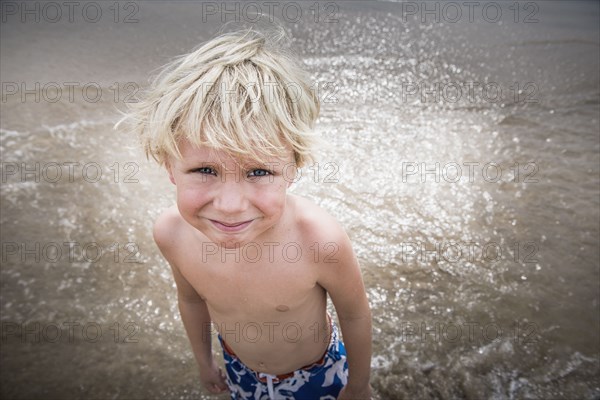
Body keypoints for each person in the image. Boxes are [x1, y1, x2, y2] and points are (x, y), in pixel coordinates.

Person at [120, 28, 372, 399]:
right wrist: (206, 364)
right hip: (239, 369)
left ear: (293, 169)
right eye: (205, 171)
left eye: (259, 172)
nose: (231, 204)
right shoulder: (171, 234)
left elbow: (354, 313)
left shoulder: (318, 240)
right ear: (168, 165)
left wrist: (359, 385)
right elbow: (191, 300)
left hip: (318, 374)